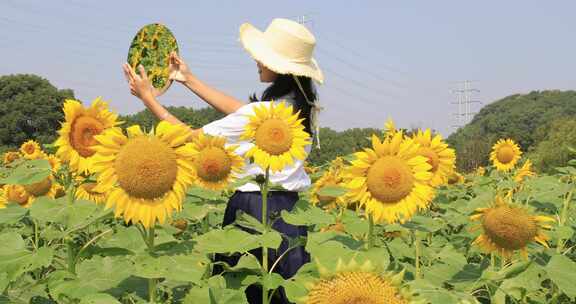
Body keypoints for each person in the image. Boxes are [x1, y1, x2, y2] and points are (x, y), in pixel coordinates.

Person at [123, 18, 323, 304]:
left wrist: (149, 99)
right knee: (284, 291)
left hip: (254, 210)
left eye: (262, 58)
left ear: (279, 68)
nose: (256, 60)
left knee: (237, 292)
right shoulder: (300, 106)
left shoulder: (263, 113)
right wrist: (187, 79)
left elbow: (192, 139)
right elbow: (242, 111)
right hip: (291, 214)